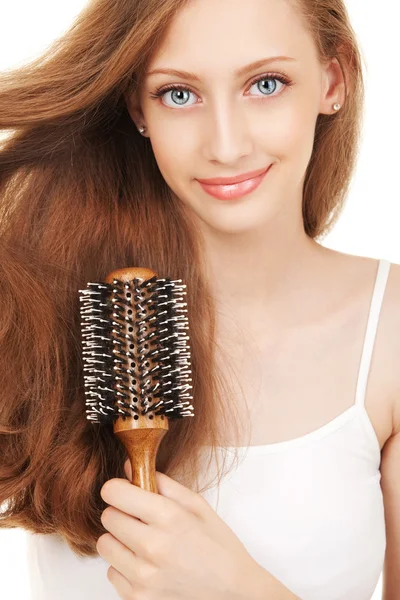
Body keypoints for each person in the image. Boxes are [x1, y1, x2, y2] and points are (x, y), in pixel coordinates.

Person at [0, 0, 398, 598]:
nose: (227, 145)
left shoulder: (389, 333)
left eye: (266, 84)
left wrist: (237, 590)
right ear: (138, 106)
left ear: (333, 80)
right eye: (178, 94)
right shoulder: (51, 308)